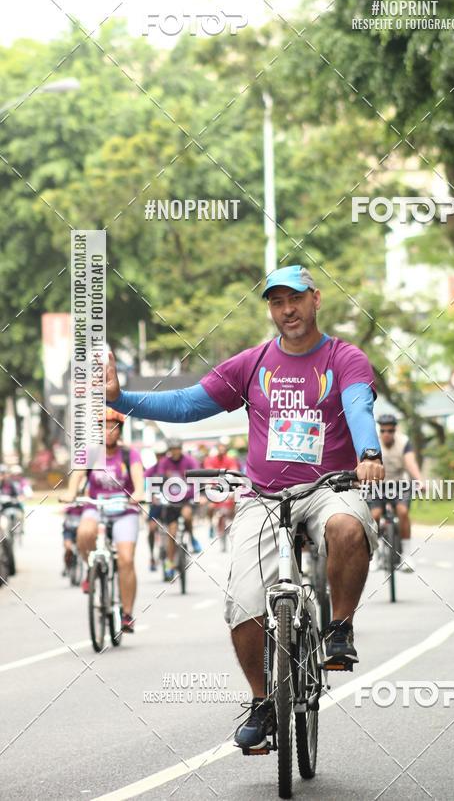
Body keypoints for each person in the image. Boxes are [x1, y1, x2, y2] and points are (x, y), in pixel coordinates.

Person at [105, 264, 384, 750]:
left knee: (346, 526)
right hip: (264, 495)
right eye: (277, 302)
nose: (287, 310)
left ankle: (339, 629)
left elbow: (359, 406)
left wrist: (369, 454)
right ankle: (261, 702)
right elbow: (189, 405)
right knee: (245, 599)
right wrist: (121, 399)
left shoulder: (345, 358)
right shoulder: (253, 364)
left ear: (316, 299)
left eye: (295, 299)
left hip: (329, 486)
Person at [63, 408, 145, 633]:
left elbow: (139, 481)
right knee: (84, 532)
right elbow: (77, 475)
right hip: (96, 507)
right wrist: (71, 493)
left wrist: (138, 493)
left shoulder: (130, 455)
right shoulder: (90, 453)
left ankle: (127, 613)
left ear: (120, 432)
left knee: (126, 560)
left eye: (114, 427)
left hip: (124, 511)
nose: (109, 431)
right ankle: (91, 569)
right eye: (105, 427)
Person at [371, 414, 424, 572]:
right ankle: (374, 554)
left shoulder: (403, 442)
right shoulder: (372, 442)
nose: (387, 434)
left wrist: (419, 479)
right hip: (377, 485)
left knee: (402, 511)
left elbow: (410, 462)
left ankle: (406, 556)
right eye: (383, 430)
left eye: (390, 430)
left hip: (400, 484)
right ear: (379, 430)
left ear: (395, 430)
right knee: (374, 515)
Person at [154, 438, 202, 571]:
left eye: (177, 449)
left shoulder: (190, 461)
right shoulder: (164, 463)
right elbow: (159, 478)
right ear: (169, 451)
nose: (175, 452)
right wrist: (157, 494)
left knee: (187, 516)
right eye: (172, 449)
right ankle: (169, 563)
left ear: (181, 449)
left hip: (187, 499)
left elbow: (197, 479)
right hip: (171, 501)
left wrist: (196, 495)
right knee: (172, 532)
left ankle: (191, 537)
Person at [204, 438, 238, 541]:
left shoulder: (230, 460)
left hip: (227, 488)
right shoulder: (210, 460)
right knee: (210, 507)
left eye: (224, 447)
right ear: (217, 448)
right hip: (214, 488)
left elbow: (234, 472)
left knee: (235, 506)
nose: (222, 449)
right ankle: (210, 524)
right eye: (220, 447)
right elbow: (208, 475)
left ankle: (234, 525)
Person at [144, 439, 168, 571]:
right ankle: (152, 556)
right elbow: (145, 485)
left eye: (163, 454)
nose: (161, 457)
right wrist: (150, 496)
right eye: (158, 455)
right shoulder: (151, 470)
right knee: (152, 528)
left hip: (171, 503)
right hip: (156, 504)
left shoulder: (170, 468)